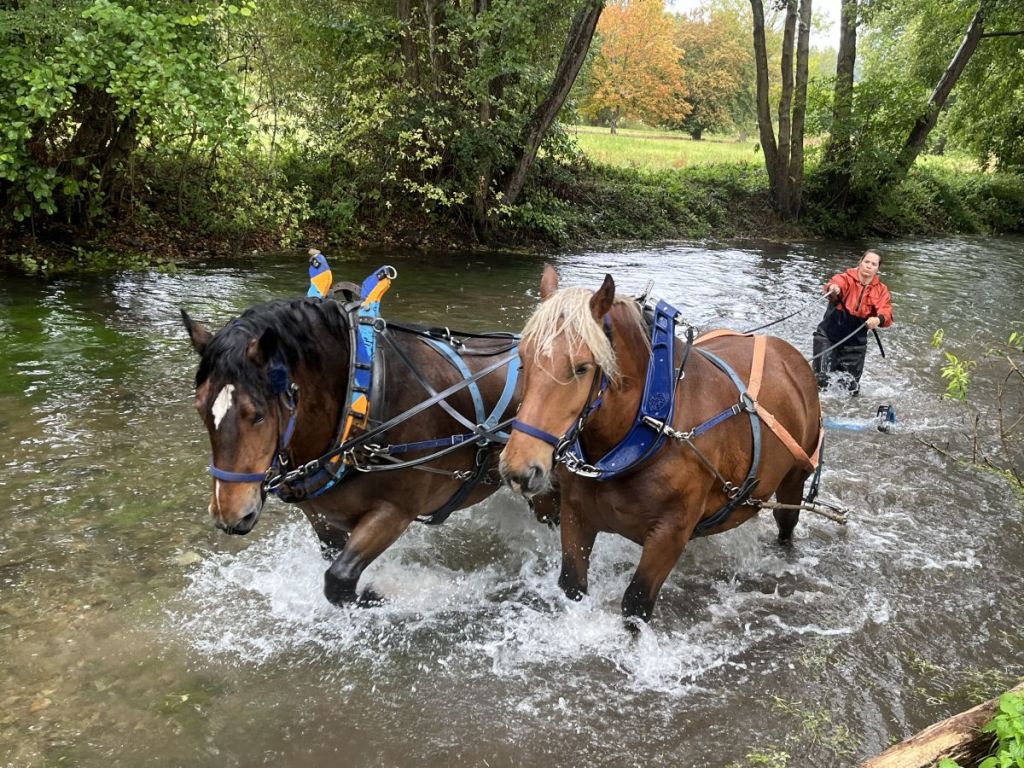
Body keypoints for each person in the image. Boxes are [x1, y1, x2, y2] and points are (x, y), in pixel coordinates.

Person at [812, 250, 893, 395]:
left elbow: (886, 313)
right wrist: (833, 288)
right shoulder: (845, 278)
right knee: (822, 381)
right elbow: (835, 283)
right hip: (828, 337)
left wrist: (878, 319)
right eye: (866, 262)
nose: (869, 266)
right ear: (860, 262)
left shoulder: (881, 290)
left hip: (856, 344)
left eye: (873, 264)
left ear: (878, 268)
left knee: (851, 389)